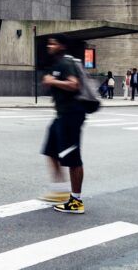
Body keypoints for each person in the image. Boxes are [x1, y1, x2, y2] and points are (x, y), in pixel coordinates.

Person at [40, 34, 86, 214]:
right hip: (61, 115)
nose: (49, 46)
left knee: (73, 158)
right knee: (50, 149)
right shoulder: (59, 63)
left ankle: (76, 200)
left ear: (61, 46)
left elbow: (74, 85)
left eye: (53, 43)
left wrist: (53, 81)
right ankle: (60, 191)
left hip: (71, 115)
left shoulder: (66, 63)